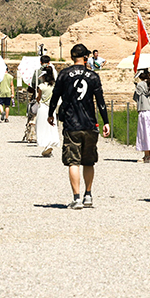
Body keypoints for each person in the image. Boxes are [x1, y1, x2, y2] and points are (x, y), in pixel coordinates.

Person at [47, 43, 111, 209]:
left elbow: (55, 96)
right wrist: (106, 122)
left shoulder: (64, 74)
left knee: (73, 162)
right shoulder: (93, 76)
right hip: (90, 123)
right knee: (89, 161)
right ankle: (88, 195)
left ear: (71, 57)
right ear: (85, 57)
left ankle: (76, 198)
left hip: (71, 123)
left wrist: (50, 113)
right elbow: (101, 101)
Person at [133, 70, 150, 164]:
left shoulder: (140, 85)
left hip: (144, 111)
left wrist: (136, 86)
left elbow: (136, 98)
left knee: (145, 133)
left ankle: (147, 155)